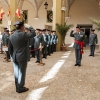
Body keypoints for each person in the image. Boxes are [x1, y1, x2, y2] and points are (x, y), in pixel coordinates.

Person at [8, 21, 36, 93]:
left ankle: (17, 86)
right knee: (22, 72)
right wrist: (30, 27)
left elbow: (10, 48)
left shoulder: (11, 35)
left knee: (16, 72)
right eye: (23, 27)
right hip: (22, 56)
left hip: (15, 56)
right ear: (22, 27)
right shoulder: (23, 34)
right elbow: (33, 33)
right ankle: (20, 88)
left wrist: (12, 56)